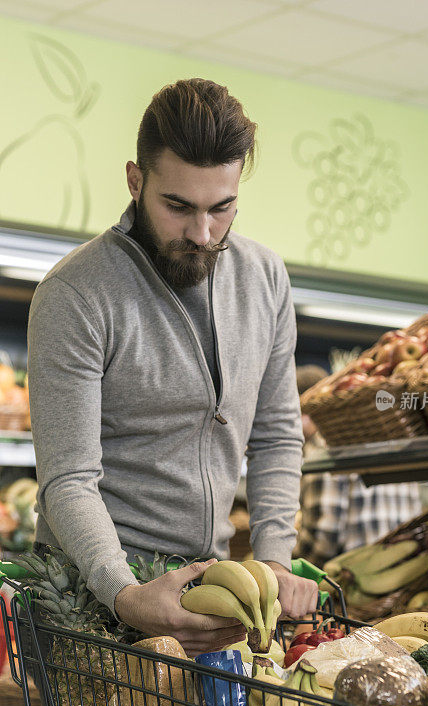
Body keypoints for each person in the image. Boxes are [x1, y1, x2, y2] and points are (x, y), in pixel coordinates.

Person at [27, 78, 318, 658]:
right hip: (92, 602)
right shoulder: (76, 295)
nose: (202, 233)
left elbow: (278, 437)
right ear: (136, 181)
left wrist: (274, 561)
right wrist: (125, 593)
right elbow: (69, 478)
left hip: (207, 593)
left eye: (222, 207)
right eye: (178, 206)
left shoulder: (266, 280)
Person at [294, 365, 422, 568]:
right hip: (406, 569)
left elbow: (323, 539)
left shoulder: (323, 446)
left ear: (304, 409)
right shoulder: (386, 433)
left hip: (357, 578)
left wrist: (286, 565)